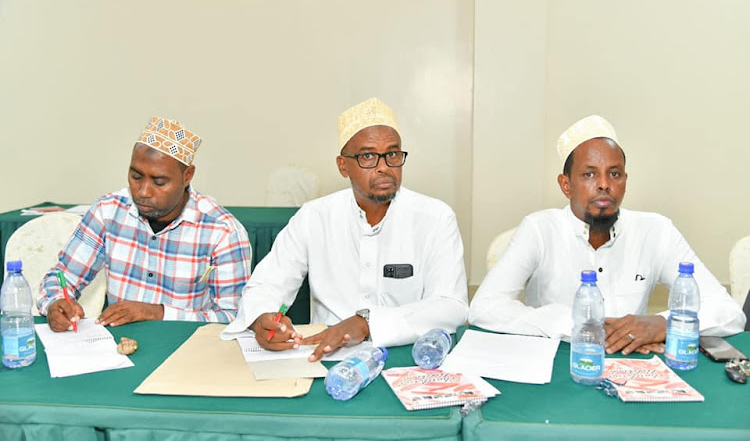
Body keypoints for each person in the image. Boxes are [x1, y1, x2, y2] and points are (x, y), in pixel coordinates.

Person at [469, 115, 745, 355]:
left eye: (614, 174)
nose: (604, 185)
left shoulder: (656, 231)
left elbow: (728, 312)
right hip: (559, 367)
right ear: (566, 185)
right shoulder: (539, 229)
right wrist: (577, 325)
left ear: (625, 180)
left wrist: (662, 324)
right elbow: (484, 307)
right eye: (589, 174)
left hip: (633, 365)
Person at [222, 98, 468, 360]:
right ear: (343, 165)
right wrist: (262, 317)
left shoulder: (435, 218)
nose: (384, 166)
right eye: (368, 157)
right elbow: (267, 284)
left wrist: (367, 323)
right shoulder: (314, 217)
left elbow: (451, 306)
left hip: (408, 355)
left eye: (392, 154)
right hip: (322, 354)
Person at [39, 117, 253, 331]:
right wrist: (56, 303)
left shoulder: (222, 231)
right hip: (118, 347)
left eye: (159, 182)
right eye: (136, 177)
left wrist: (157, 313)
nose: (143, 192)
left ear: (187, 176)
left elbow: (234, 316)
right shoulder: (108, 211)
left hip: (187, 349)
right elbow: (63, 276)